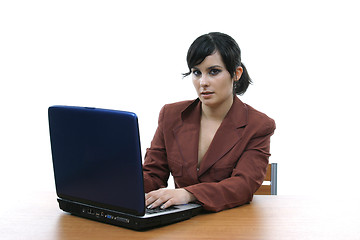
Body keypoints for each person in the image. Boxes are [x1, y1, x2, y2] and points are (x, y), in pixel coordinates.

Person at [143, 32, 276, 212]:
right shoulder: (171, 115)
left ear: (236, 73)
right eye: (196, 72)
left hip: (231, 224)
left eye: (214, 71)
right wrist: (116, 182)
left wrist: (188, 194)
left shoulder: (258, 125)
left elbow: (243, 186)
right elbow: (152, 174)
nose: (203, 82)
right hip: (180, 224)